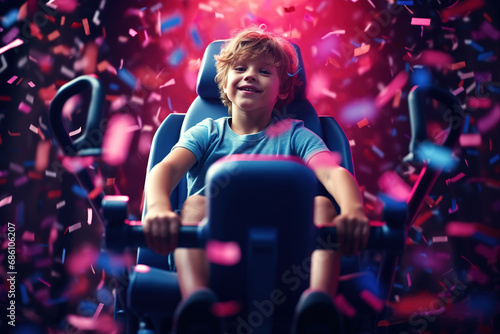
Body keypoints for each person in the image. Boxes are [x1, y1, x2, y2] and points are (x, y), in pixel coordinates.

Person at [143, 25, 370, 331]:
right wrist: (158, 208)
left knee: (321, 205)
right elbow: (166, 169)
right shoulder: (208, 132)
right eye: (240, 68)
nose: (250, 75)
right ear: (223, 82)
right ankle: (198, 304)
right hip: (213, 257)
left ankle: (318, 306)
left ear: (283, 90)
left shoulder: (296, 134)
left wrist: (353, 210)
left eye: (264, 71)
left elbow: (331, 173)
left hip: (289, 256)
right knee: (195, 205)